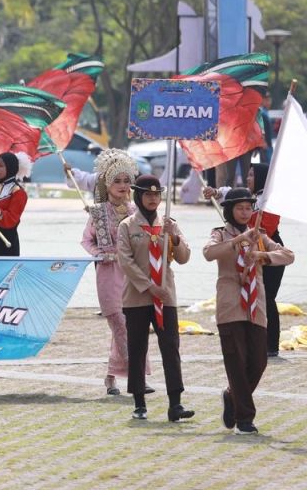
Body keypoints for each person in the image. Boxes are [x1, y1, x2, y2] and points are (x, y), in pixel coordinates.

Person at [203, 188, 295, 435]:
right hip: (231, 305)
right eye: (239, 208)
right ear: (229, 210)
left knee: (259, 361)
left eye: (248, 208)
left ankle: (232, 396)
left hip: (256, 306)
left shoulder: (260, 235)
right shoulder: (220, 233)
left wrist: (261, 254)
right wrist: (235, 242)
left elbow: (288, 255)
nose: (245, 213)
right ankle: (245, 419)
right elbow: (209, 253)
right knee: (236, 361)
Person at [116, 175, 193, 422]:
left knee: (171, 347)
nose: (153, 199)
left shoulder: (168, 223)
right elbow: (125, 262)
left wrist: (176, 238)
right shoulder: (127, 226)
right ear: (138, 196)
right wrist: (149, 286)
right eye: (148, 194)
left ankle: (176, 403)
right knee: (137, 348)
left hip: (165, 296)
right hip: (138, 297)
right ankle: (139, 402)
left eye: (156, 194)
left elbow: (183, 258)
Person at [80, 149, 152, 396]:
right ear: (106, 184)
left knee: (129, 325)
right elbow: (87, 241)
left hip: (132, 275)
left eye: (126, 180)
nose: (122, 186)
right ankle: (138, 377)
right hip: (109, 274)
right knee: (120, 324)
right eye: (116, 181)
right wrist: (103, 254)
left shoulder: (136, 211)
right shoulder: (98, 213)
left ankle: (112, 376)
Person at [204, 163, 288, 357]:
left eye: (251, 175)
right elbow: (229, 194)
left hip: (265, 251)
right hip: (247, 250)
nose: (248, 178)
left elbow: (267, 227)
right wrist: (215, 192)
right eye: (248, 174)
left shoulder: (270, 201)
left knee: (267, 297)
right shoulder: (252, 199)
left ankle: (270, 345)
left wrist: (245, 226)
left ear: (261, 178)